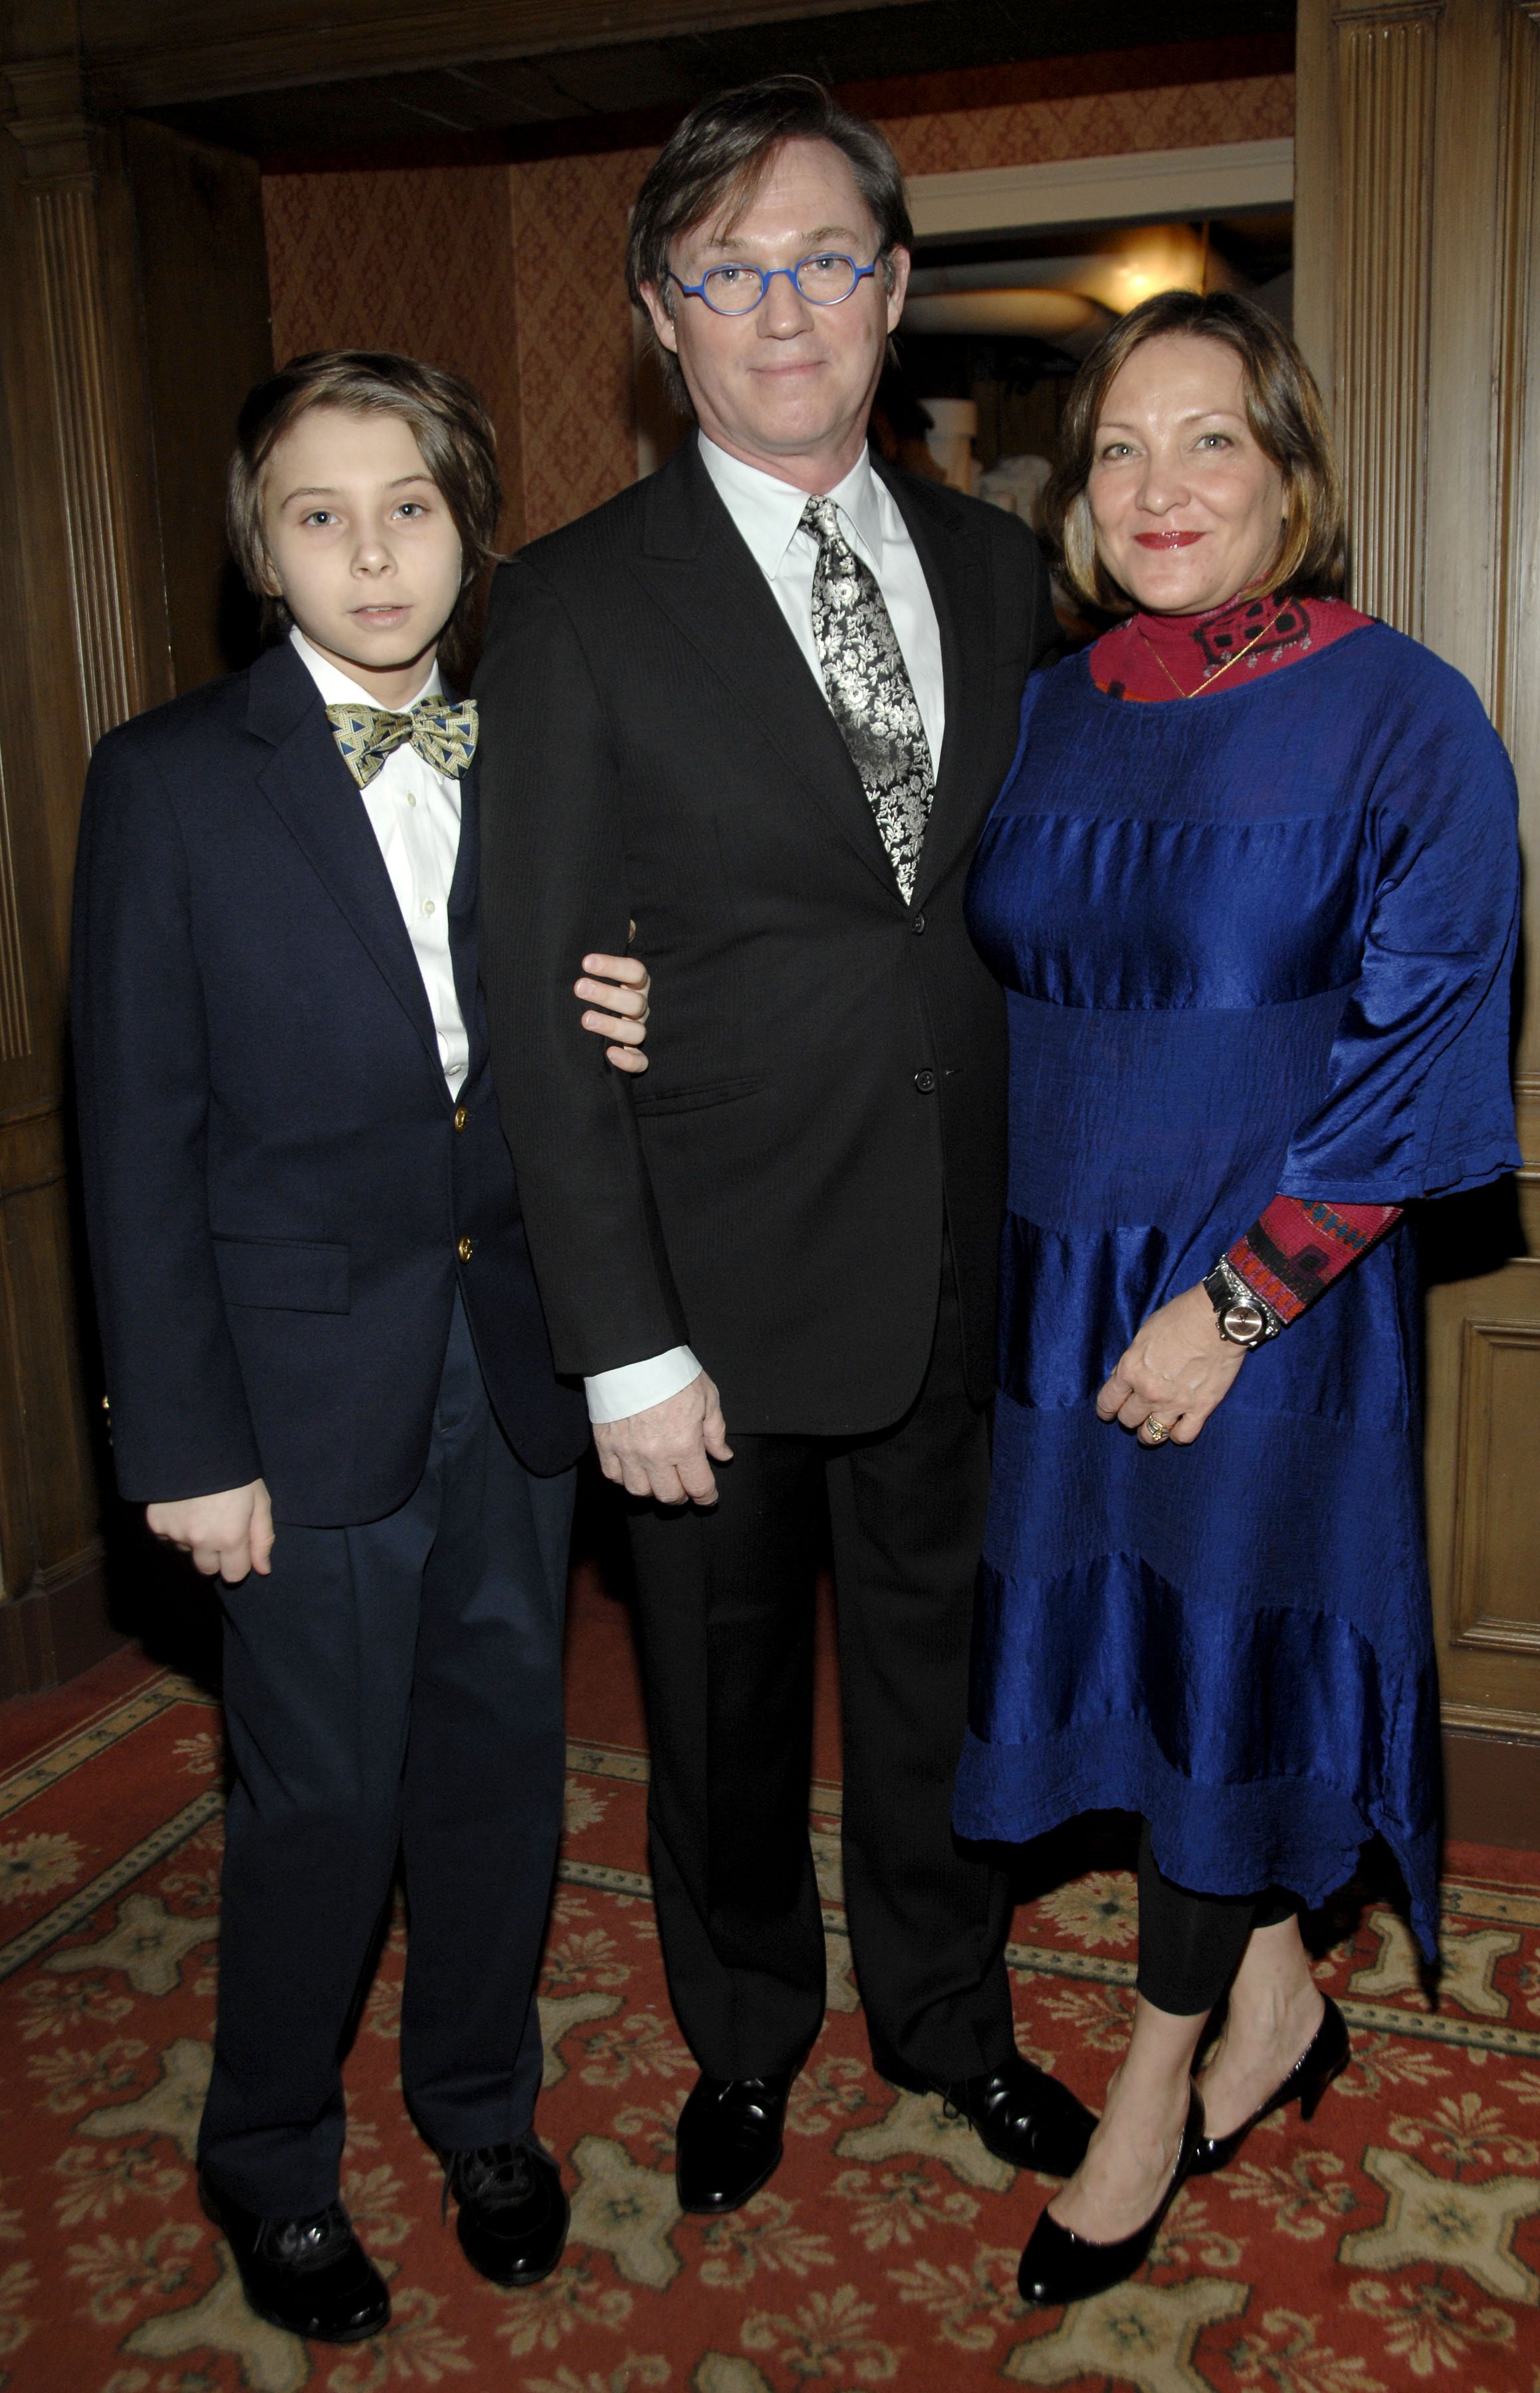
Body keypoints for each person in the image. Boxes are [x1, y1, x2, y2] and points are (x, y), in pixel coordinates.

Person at [476, 75, 1093, 2216]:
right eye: (730, 271)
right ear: (664, 317)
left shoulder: (1003, 571)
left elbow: (1023, 906)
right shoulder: (567, 605)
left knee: (947, 1690)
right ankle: (745, 2031)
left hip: (962, 1265)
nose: (785, 310)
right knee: (725, 1723)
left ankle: (950, 2015)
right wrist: (621, 1343)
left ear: (898, 287)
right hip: (709, 1304)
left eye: (827, 258)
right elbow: (536, 1012)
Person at [71, 351, 649, 2344]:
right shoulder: (163, 782)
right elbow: (134, 1140)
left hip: (510, 1372)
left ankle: (482, 2108)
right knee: (314, 1805)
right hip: (292, 1406)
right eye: (319, 512)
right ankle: (272, 2158)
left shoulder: (537, 752)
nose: (371, 549)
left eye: (408, 502)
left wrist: (634, 1032)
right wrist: (181, 1441)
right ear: (261, 548)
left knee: (501, 1773)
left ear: (469, 524)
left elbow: (561, 1062)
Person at [950, 289, 1521, 2305]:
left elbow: (1428, 1052)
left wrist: (1242, 1306)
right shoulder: (1053, 703)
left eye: (1210, 442)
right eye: (1118, 448)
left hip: (1261, 1295)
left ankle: (1153, 2088)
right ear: (1078, 494)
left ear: (1290, 472)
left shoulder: (1402, 711)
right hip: (1051, 1279)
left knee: (1224, 1666)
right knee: (1173, 1675)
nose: (1160, 485)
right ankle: (1279, 1998)